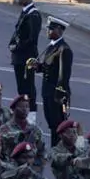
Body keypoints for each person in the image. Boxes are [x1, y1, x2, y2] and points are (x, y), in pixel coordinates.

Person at [30, 15, 73, 145]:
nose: (47, 31)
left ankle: (58, 149)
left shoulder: (64, 50)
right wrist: (37, 66)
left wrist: (59, 94)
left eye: (51, 29)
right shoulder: (51, 47)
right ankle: (55, 147)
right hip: (47, 91)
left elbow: (63, 75)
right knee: (51, 123)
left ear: (59, 30)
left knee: (58, 125)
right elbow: (49, 67)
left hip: (56, 94)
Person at [9, 0, 42, 121]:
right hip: (20, 57)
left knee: (27, 87)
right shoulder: (26, 12)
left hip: (26, 58)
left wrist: (17, 47)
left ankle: (31, 115)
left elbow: (32, 39)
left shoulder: (33, 15)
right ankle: (23, 113)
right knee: (21, 87)